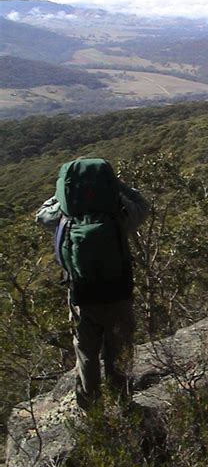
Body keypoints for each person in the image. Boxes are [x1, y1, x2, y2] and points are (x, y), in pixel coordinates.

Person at [36, 158, 149, 411]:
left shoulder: (64, 215)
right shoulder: (119, 211)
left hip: (82, 297)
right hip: (119, 293)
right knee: (119, 350)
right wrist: (118, 187)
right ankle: (123, 404)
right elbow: (143, 206)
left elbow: (40, 216)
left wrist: (60, 195)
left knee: (87, 352)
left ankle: (92, 409)